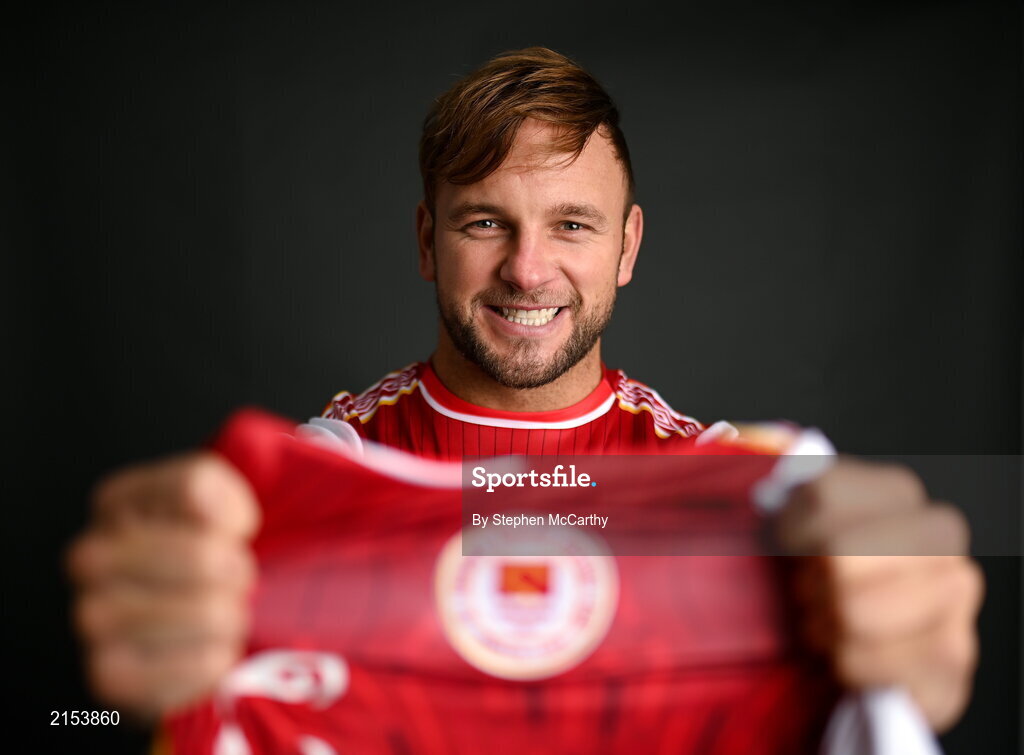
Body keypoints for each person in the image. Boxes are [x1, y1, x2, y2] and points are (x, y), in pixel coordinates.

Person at [67, 47, 983, 750]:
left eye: (571, 224)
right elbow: (112, 708)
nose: (528, 268)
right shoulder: (319, 479)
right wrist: (145, 674)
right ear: (428, 242)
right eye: (484, 222)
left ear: (627, 248)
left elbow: (892, 672)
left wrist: (904, 678)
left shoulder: (738, 485)